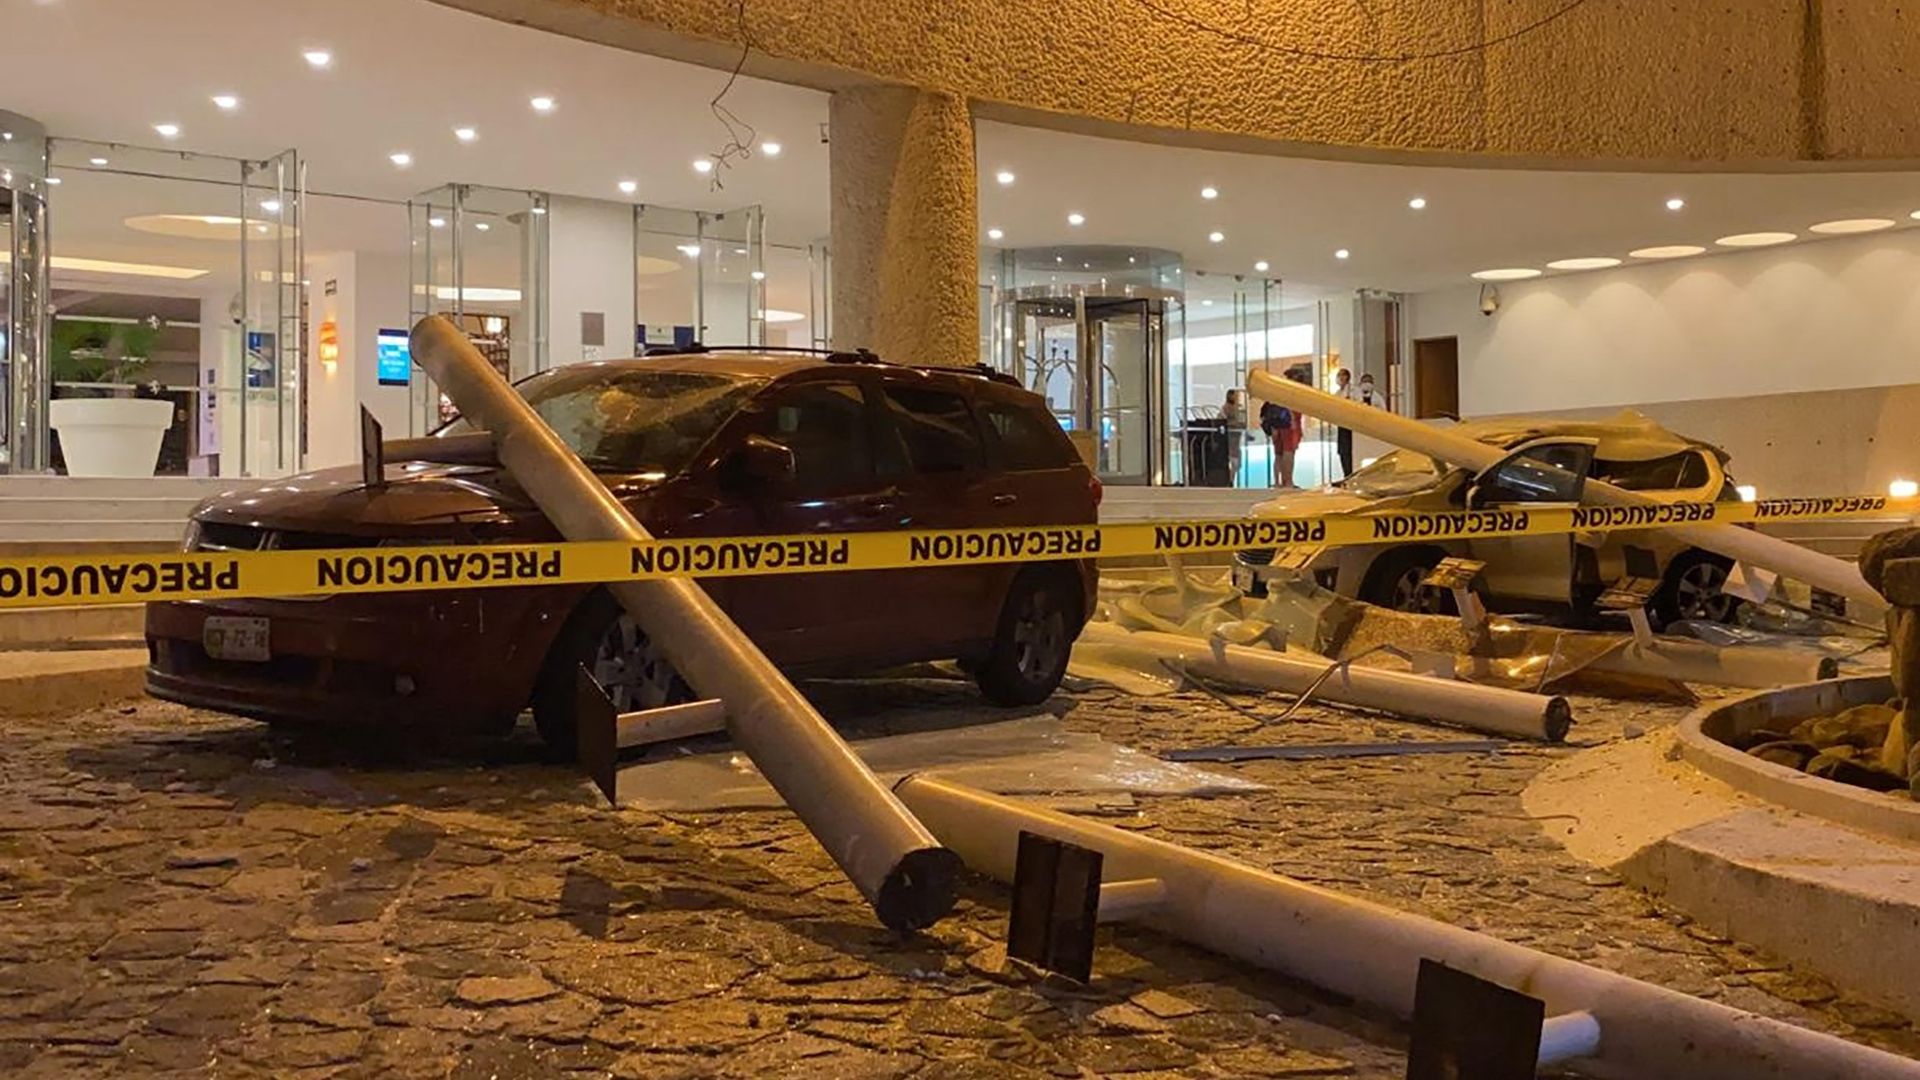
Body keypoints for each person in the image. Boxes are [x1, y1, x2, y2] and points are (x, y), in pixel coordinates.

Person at [1260, 373, 1307, 488]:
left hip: (1278, 425)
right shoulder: (1292, 392)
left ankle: (1279, 481)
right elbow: (1290, 408)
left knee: (1279, 454)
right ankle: (1288, 481)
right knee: (1288, 453)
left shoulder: (1278, 392)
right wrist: (1293, 420)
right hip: (1288, 425)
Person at [1332, 367, 1356, 480]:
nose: (1341, 378)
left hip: (1351, 425)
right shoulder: (1337, 393)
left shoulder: (1354, 391)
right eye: (1339, 375)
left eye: (1343, 375)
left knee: (1349, 451)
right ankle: (1346, 475)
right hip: (1341, 424)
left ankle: (1351, 474)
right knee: (1342, 451)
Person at [1222, 389, 1246, 487]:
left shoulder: (1238, 408)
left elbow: (1242, 423)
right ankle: (1229, 481)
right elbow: (1222, 421)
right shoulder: (1225, 408)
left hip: (1236, 441)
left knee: (1237, 464)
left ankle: (1231, 480)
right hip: (1229, 440)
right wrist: (1234, 424)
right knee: (1233, 462)